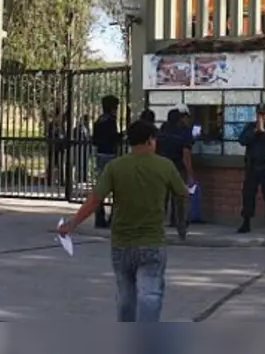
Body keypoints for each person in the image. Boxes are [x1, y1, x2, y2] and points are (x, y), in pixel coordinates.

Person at [58, 119, 188, 322]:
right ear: (150, 141)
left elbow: (94, 200)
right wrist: (181, 225)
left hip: (122, 242)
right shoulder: (165, 166)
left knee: (126, 296)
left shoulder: (115, 167)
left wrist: (72, 224)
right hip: (152, 242)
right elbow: (182, 195)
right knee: (150, 294)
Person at [237, 103, 265, 235]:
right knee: (248, 195)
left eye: (263, 115)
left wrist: (263, 132)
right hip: (252, 166)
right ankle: (246, 223)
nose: (261, 117)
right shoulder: (250, 127)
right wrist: (255, 132)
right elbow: (242, 140)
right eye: (259, 115)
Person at [156, 106, 195, 227]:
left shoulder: (162, 130)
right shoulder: (184, 132)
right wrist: (190, 175)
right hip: (177, 167)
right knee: (178, 195)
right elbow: (186, 155)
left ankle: (159, 220)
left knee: (162, 196)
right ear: (180, 119)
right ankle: (178, 221)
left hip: (161, 166)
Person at [91, 95, 124, 229]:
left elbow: (95, 140)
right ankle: (113, 218)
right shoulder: (111, 121)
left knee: (101, 187)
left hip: (99, 154)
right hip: (110, 155)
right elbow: (113, 138)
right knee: (116, 187)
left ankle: (99, 217)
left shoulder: (98, 120)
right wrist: (122, 135)